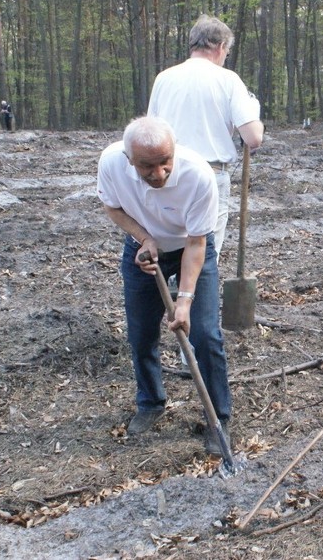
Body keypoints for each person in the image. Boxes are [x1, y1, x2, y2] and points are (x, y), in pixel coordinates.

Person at [97, 116, 232, 454]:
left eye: (164, 163)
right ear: (130, 161)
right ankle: (150, 402)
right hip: (143, 248)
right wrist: (143, 238)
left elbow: (198, 244)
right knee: (141, 332)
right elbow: (112, 207)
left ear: (174, 151)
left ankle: (219, 418)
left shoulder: (199, 175)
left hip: (191, 245)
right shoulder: (111, 163)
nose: (158, 174)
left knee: (204, 333)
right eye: (147, 167)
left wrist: (184, 299)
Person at [147, 14, 263, 258]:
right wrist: (253, 109)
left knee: (169, 250)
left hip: (167, 174)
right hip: (210, 175)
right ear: (220, 47)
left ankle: (173, 292)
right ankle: (192, 294)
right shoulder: (228, 80)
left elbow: (150, 135)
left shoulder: (163, 78)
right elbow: (253, 138)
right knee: (202, 256)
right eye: (227, 52)